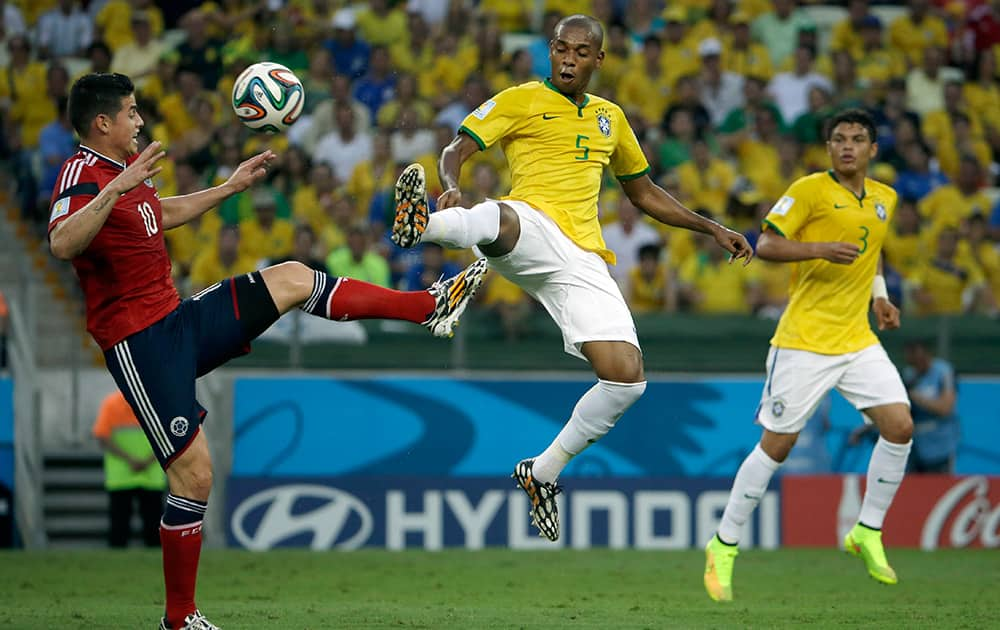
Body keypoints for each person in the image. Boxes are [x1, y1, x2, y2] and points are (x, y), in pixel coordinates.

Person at [48, 72, 487, 630]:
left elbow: (160, 217)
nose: (140, 121)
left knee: (293, 278)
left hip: (178, 318)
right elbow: (62, 242)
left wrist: (229, 188)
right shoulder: (84, 172)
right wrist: (117, 187)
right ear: (102, 123)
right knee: (195, 477)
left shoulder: (125, 177)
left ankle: (426, 307)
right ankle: (179, 619)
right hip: (140, 344)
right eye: (131, 112)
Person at [391, 15, 753, 542]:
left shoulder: (611, 118)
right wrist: (450, 183)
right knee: (502, 215)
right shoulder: (519, 99)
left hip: (582, 258)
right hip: (530, 224)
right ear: (550, 50)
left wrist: (712, 227)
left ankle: (542, 472)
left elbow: (644, 193)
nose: (568, 59)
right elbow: (457, 149)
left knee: (627, 377)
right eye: (561, 48)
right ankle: (425, 225)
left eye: (581, 52)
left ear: (598, 60)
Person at [703, 109, 914, 602]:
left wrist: (879, 294)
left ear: (873, 150)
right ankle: (724, 543)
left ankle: (867, 530)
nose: (847, 147)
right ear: (828, 148)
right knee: (777, 446)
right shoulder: (809, 190)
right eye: (839, 139)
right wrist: (819, 247)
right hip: (803, 341)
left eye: (858, 140)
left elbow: (873, 248)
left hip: (857, 339)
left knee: (900, 427)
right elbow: (767, 245)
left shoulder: (885, 198)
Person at [92, 389, 166, 548]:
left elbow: (102, 436)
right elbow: (168, 438)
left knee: (121, 528)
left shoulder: (112, 403)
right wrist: (146, 461)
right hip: (149, 473)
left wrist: (130, 460)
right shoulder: (158, 403)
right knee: (151, 530)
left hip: (123, 474)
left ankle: (116, 567)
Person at [901, 338, 959, 472]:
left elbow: (946, 408)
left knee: (940, 487)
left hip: (940, 446)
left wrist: (915, 396)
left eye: (918, 358)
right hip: (914, 447)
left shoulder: (944, 372)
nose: (916, 364)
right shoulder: (909, 373)